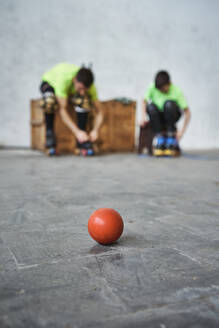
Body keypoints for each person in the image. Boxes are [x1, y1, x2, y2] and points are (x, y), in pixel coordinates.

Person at [39, 62, 103, 155]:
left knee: (84, 100)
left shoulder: (90, 85)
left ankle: (82, 139)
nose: (82, 92)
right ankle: (49, 135)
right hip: (50, 83)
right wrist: (76, 132)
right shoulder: (63, 79)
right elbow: (62, 110)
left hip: (69, 91)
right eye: (80, 88)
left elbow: (100, 111)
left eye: (85, 89)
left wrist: (95, 130)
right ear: (74, 80)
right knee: (49, 101)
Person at [140, 71, 191, 156]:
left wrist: (181, 132)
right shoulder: (152, 87)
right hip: (158, 118)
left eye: (164, 89)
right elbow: (144, 101)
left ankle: (170, 139)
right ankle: (160, 139)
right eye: (159, 90)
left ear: (169, 83)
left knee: (168, 104)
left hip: (171, 115)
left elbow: (187, 113)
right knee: (151, 107)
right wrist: (143, 117)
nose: (162, 91)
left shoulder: (176, 90)